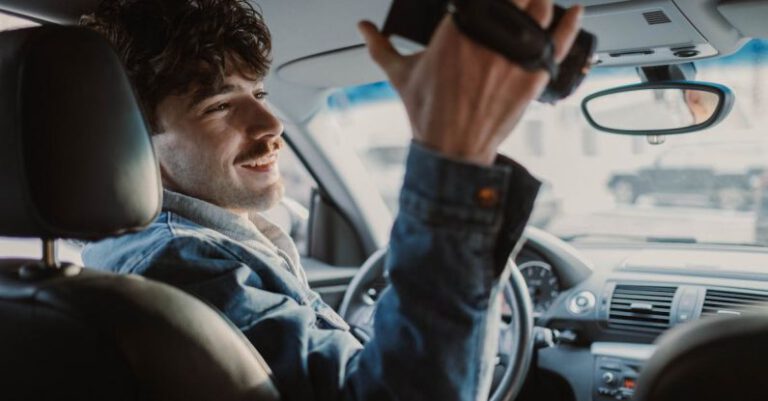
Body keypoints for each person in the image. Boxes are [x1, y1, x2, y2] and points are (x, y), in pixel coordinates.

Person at [81, 0, 582, 399]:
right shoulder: (183, 265)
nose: (272, 125)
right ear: (132, 137)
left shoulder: (145, 254)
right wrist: (455, 152)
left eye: (257, 95)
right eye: (218, 106)